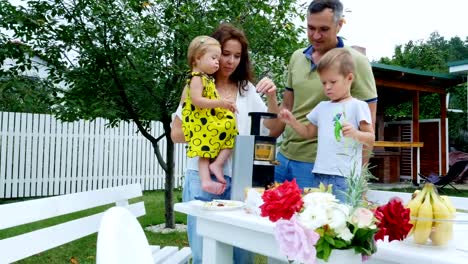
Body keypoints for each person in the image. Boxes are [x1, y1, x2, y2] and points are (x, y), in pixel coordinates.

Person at [171, 24, 279, 264]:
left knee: (241, 253)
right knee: (205, 253)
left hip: (241, 179)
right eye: (225, 54)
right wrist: (215, 133)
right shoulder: (197, 86)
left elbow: (272, 129)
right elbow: (176, 134)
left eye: (237, 56)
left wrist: (272, 97)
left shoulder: (246, 90)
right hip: (202, 177)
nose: (230, 61)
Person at [272, 0, 378, 190]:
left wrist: (358, 181)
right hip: (282, 160)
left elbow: (369, 123)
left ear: (339, 25)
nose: (316, 35)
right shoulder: (297, 57)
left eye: (324, 29)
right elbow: (287, 107)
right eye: (311, 28)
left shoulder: (357, 62)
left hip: (319, 168)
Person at [278, 48, 375, 201]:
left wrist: (356, 134)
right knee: (321, 216)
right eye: (324, 83)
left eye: (333, 82)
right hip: (319, 174)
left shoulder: (358, 106)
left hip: (345, 177)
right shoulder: (322, 107)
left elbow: (370, 138)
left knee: (342, 218)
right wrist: (292, 121)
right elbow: (308, 132)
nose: (327, 87)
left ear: (349, 78)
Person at [182, 35, 238, 195]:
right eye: (213, 58)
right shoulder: (196, 79)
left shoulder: (206, 79)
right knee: (207, 147)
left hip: (206, 119)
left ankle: (215, 167)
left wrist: (224, 101)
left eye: (217, 59)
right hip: (200, 122)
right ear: (197, 58)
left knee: (229, 128)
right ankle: (207, 178)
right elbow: (197, 100)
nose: (217, 62)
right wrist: (221, 103)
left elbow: (211, 97)